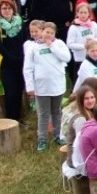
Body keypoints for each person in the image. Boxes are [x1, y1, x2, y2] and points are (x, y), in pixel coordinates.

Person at [23, 21, 69, 151]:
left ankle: (57, 135)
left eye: (51, 33)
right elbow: (28, 68)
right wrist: (30, 86)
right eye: (46, 32)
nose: (48, 35)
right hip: (41, 87)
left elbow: (66, 57)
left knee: (56, 112)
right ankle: (42, 139)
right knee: (43, 114)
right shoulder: (33, 47)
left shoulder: (59, 44)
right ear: (41, 31)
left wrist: (52, 46)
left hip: (57, 85)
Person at [0, 0, 27, 121]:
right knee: (10, 93)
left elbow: (25, 40)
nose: (7, 11)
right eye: (4, 8)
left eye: (9, 8)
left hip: (21, 62)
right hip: (6, 63)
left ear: (13, 9)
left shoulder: (20, 22)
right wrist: (11, 57)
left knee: (19, 91)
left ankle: (18, 117)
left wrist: (23, 57)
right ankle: (10, 119)